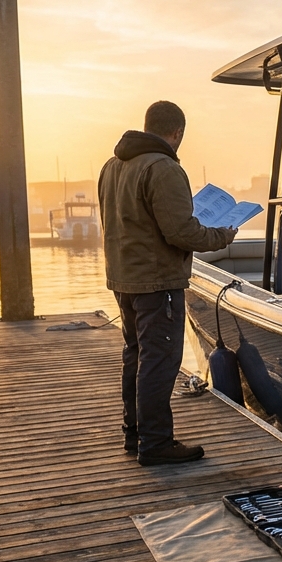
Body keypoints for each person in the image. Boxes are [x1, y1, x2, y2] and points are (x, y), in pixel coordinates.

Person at [99, 101, 237, 466]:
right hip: (157, 282)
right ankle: (156, 443)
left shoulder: (112, 166)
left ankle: (135, 434)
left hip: (124, 279)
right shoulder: (163, 168)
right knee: (159, 361)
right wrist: (222, 236)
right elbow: (181, 232)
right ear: (177, 132)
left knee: (136, 355)